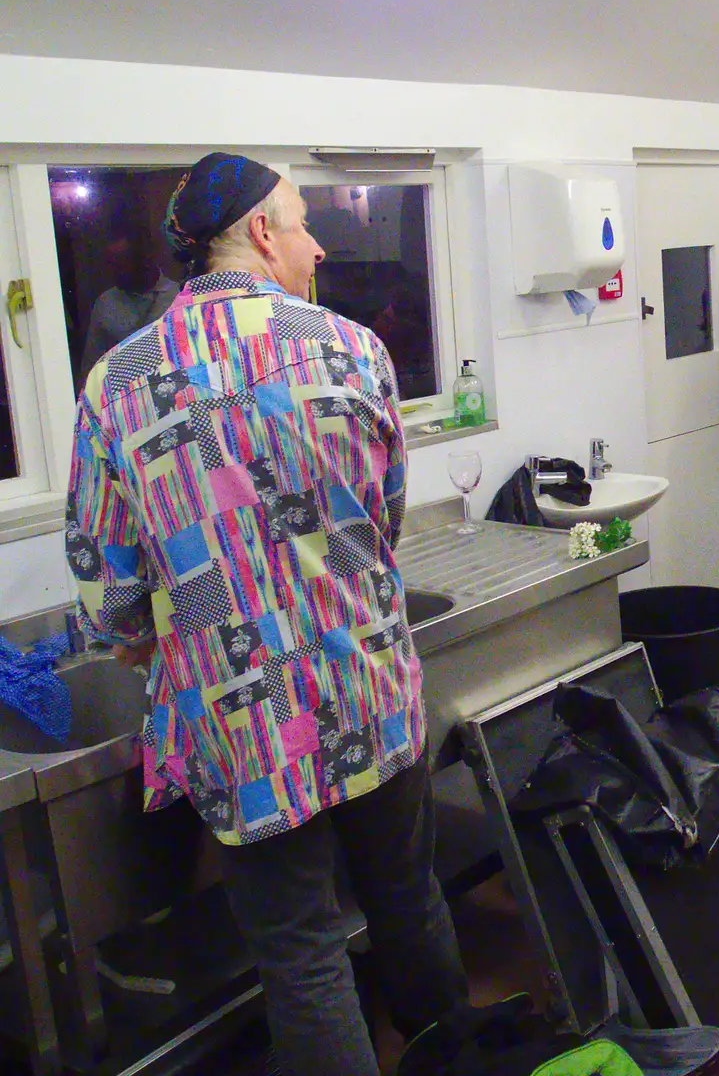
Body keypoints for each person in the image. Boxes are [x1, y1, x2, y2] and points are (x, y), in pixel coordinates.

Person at [65, 152, 469, 1076]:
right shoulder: (352, 349)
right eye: (301, 222)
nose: (319, 243)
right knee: (408, 895)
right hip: (368, 680)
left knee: (302, 946)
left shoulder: (116, 386)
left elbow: (107, 584)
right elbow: (386, 517)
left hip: (246, 724)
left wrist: (142, 633)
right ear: (258, 233)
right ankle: (461, 1057)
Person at [75, 233, 181, 388]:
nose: (116, 272)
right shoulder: (106, 304)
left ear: (145, 261)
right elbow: (91, 368)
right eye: (113, 265)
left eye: (123, 264)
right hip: (122, 396)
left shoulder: (178, 296)